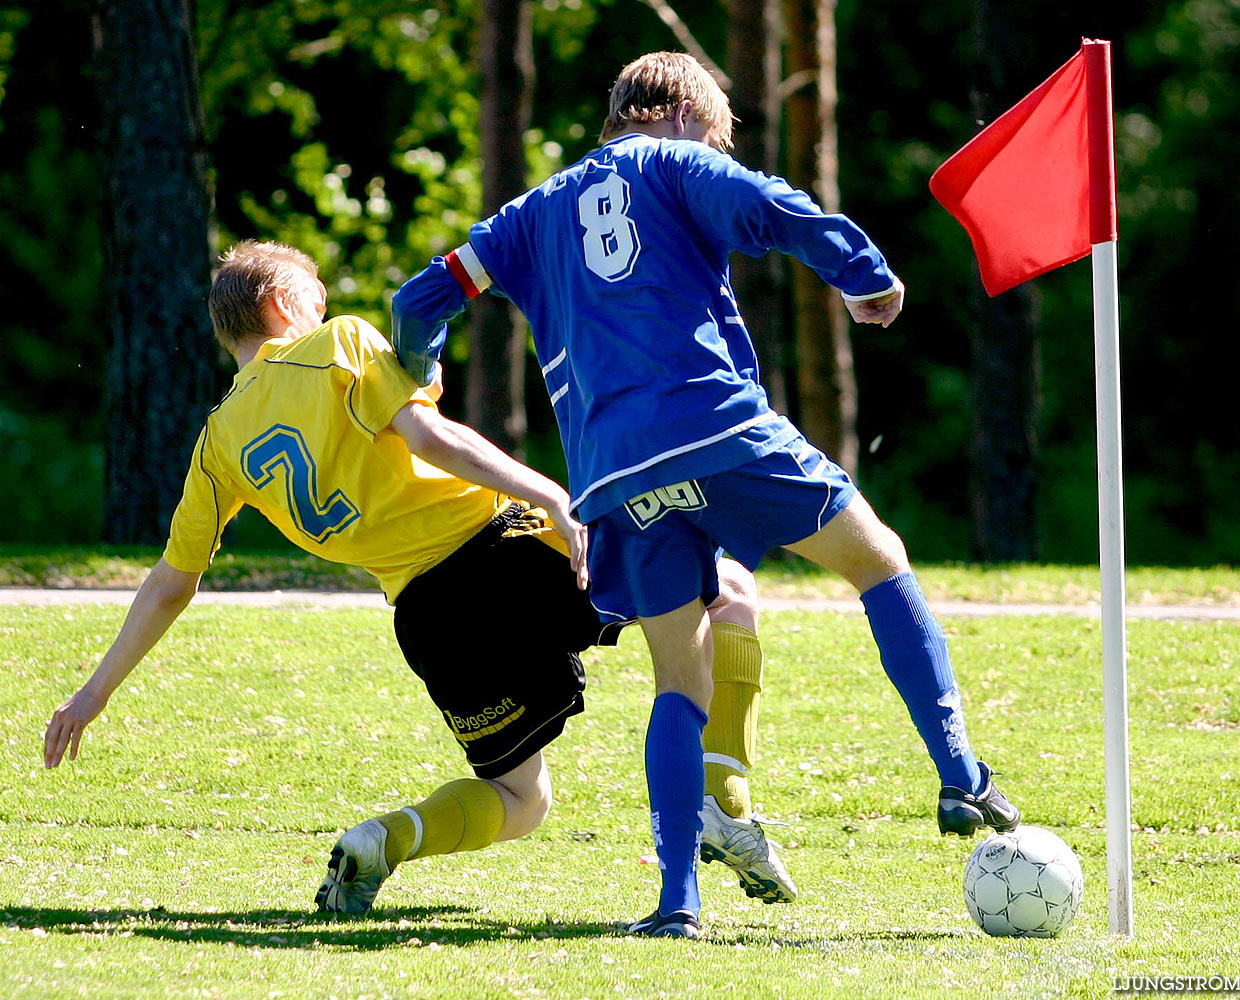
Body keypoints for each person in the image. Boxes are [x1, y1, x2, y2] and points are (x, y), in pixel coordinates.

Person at [390, 52, 1020, 938]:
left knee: (675, 679)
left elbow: (419, 301)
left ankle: (675, 904)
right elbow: (775, 209)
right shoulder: (677, 161)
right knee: (879, 561)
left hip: (613, 472)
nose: (718, 147)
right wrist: (864, 274)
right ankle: (961, 775)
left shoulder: (526, 216)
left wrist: (419, 374)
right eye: (719, 135)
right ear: (685, 113)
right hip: (716, 427)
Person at [42, 239, 797, 917]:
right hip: (502, 553)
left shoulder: (218, 442)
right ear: (282, 304)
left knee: (519, 798)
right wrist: (550, 496)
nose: (326, 307)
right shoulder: (335, 343)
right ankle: (723, 799)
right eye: (315, 295)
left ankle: (382, 839)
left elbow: (174, 581)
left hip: (427, 618)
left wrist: (92, 693)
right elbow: (430, 438)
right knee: (726, 587)